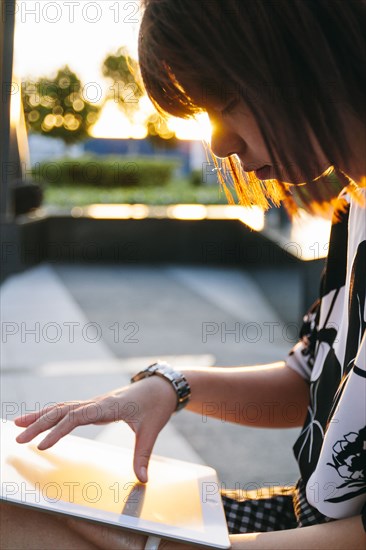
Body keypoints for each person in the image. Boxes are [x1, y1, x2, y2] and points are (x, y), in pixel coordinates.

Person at [1, 1, 365, 548]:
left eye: (227, 101)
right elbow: (312, 382)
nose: (218, 143)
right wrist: (168, 386)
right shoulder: (352, 207)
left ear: (311, 53)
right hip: (301, 518)